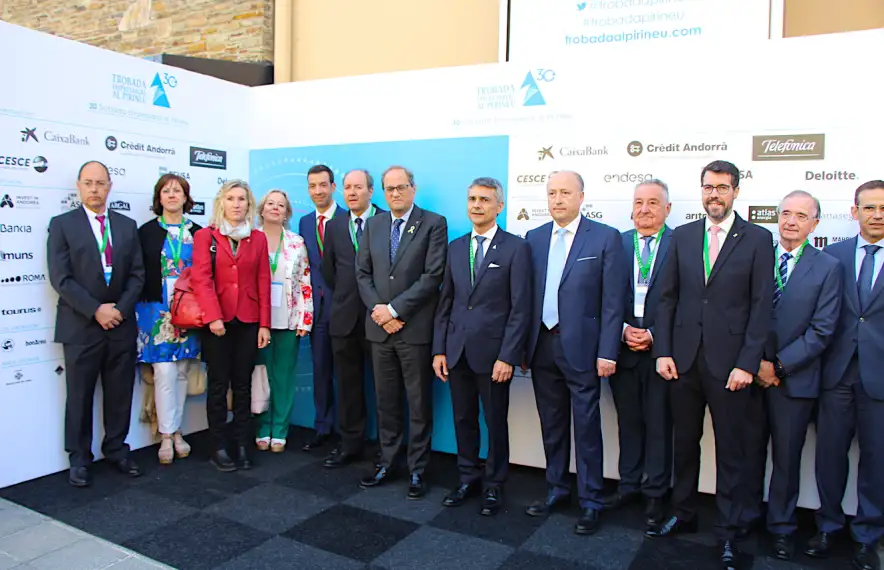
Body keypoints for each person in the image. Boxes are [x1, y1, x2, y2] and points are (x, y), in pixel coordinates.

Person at [650, 160, 774, 570]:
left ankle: (730, 530)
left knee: (732, 452)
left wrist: (748, 363)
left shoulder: (757, 238)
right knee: (684, 444)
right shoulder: (683, 236)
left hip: (732, 366)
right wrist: (663, 351)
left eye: (722, 187)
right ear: (700, 190)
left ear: (736, 191)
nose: (714, 194)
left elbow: (761, 307)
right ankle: (683, 513)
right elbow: (665, 298)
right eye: (708, 187)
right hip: (683, 360)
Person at [523, 170, 625, 535]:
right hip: (541, 346)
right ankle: (556, 489)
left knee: (586, 427)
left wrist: (608, 351)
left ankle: (592, 500)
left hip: (583, 348)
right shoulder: (533, 238)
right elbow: (524, 299)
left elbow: (614, 302)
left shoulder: (604, 238)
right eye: (552, 193)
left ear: (582, 196)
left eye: (565, 192)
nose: (558, 200)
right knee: (551, 425)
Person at [748, 191, 841, 561]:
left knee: (786, 460)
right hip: (751, 375)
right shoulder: (758, 256)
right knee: (748, 454)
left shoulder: (829, 266)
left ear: (815, 224)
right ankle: (745, 517)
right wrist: (755, 364)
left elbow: (822, 330)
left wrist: (779, 367)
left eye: (801, 215)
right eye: (785, 213)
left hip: (794, 381)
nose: (790, 221)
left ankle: (782, 527)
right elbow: (736, 314)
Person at [433, 177, 531, 516]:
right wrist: (439, 350)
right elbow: (445, 302)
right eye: (472, 198)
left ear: (499, 206)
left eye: (485, 200)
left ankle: (494, 485)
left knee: (495, 421)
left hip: (494, 356)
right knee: (463, 419)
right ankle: (467, 478)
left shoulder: (516, 248)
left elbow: (521, 308)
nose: (477, 204)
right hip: (457, 350)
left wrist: (508, 355)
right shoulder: (457, 247)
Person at [47, 160, 145, 487]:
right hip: (81, 326)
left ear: (109, 186)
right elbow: (61, 279)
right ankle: (79, 458)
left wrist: (118, 309)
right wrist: (96, 310)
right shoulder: (62, 225)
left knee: (119, 394)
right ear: (78, 186)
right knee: (79, 395)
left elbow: (137, 275)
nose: (94, 189)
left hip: (121, 324)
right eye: (88, 183)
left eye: (100, 183)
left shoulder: (127, 226)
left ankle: (117, 449)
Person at [355, 165, 448, 499]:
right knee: (386, 402)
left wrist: (395, 310)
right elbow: (362, 273)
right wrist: (381, 313)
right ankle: (387, 462)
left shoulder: (434, 223)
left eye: (401, 187)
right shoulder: (374, 224)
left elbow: (432, 275)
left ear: (413, 188)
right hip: (380, 331)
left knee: (419, 404)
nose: (395, 193)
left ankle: (418, 470)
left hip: (413, 329)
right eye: (389, 188)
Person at [807, 180, 884, 570]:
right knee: (830, 456)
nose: (877, 214)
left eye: (883, 208)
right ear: (854, 212)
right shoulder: (831, 256)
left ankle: (868, 536)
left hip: (880, 379)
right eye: (869, 207)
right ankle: (828, 525)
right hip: (835, 374)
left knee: (877, 460)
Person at [606, 179, 673, 531]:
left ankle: (655, 494)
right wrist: (622, 331)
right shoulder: (616, 242)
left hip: (662, 354)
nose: (644, 209)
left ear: (667, 209)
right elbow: (604, 296)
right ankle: (628, 486)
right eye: (638, 203)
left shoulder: (681, 245)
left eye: (652, 202)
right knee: (628, 422)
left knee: (659, 426)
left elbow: (686, 302)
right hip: (623, 350)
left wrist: (654, 335)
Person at [192, 180, 271, 472]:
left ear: (249, 206)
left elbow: (264, 281)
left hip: (249, 321)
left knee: (242, 385)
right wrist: (213, 316)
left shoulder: (258, 238)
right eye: (231, 198)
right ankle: (218, 446)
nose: (237, 204)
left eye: (242, 199)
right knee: (217, 385)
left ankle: (241, 444)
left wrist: (264, 324)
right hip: (217, 322)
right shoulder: (205, 236)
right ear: (221, 203)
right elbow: (201, 279)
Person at [135, 173, 203, 465]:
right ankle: (167, 434)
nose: (172, 195)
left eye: (178, 191)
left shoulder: (199, 233)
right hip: (157, 311)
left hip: (189, 310)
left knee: (182, 373)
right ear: (159, 198)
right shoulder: (146, 232)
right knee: (163, 372)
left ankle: (177, 431)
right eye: (167, 191)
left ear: (187, 198)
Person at [321, 169, 386, 468]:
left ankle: (387, 451)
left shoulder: (387, 221)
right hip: (344, 318)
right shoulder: (334, 226)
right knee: (347, 386)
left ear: (371, 192)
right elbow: (330, 271)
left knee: (386, 388)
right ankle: (350, 444)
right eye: (347, 188)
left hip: (380, 318)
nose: (351, 193)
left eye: (358, 187)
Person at [255, 190, 313, 453]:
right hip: (256, 321)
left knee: (283, 377)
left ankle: (279, 429)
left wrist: (305, 318)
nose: (275, 208)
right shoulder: (248, 239)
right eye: (271, 203)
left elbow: (305, 283)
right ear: (262, 209)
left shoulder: (296, 242)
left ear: (287, 212)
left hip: (288, 319)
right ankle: (261, 426)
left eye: (281, 205)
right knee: (260, 376)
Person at [299, 164, 347, 452]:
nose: (317, 191)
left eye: (322, 185)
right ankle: (322, 427)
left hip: (345, 309)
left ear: (333, 187)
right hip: (316, 311)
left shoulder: (347, 219)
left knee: (348, 374)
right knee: (320, 371)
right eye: (312, 186)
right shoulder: (305, 223)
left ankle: (348, 433)